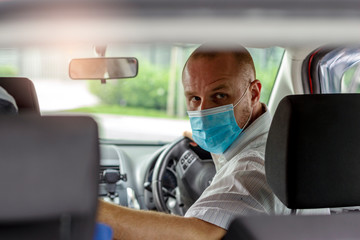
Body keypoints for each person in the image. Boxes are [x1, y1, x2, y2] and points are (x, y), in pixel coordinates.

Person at [97, 44, 329, 240]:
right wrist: (209, 144)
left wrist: (94, 209)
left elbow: (202, 233)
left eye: (219, 96)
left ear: (254, 93)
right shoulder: (267, 140)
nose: (203, 111)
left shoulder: (256, 165)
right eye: (194, 98)